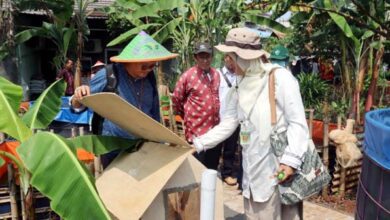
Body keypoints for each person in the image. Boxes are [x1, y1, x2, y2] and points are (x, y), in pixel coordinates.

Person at [193, 27, 309, 219]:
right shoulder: (239, 85)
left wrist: (290, 161)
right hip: (253, 167)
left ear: (245, 57)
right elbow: (229, 122)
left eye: (231, 57)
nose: (228, 62)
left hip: (279, 167)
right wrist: (198, 143)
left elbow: (297, 123)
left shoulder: (279, 78)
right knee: (255, 212)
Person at [71, 31, 178, 167]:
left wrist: (160, 142)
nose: (147, 70)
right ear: (128, 62)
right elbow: (77, 107)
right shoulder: (108, 75)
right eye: (144, 66)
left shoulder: (150, 78)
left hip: (142, 147)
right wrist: (78, 95)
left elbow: (154, 114)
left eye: (152, 66)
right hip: (113, 149)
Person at [172, 42, 221, 170]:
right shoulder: (188, 76)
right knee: (198, 167)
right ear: (196, 58)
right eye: (201, 57)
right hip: (197, 131)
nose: (205, 60)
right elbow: (176, 98)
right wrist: (185, 115)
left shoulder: (216, 75)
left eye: (208, 57)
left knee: (212, 167)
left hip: (215, 130)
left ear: (212, 57)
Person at [217, 54, 241, 186]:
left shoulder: (240, 75)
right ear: (225, 58)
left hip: (234, 118)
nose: (232, 62)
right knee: (215, 146)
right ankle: (212, 171)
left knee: (230, 147)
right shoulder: (217, 74)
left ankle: (227, 173)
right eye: (230, 58)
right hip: (219, 116)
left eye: (234, 59)